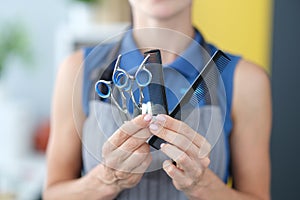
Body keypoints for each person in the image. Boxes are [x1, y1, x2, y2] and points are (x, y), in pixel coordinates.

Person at [43, 0, 271, 199]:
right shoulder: (79, 71)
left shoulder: (245, 80)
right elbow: (53, 195)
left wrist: (204, 187)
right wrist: (107, 179)